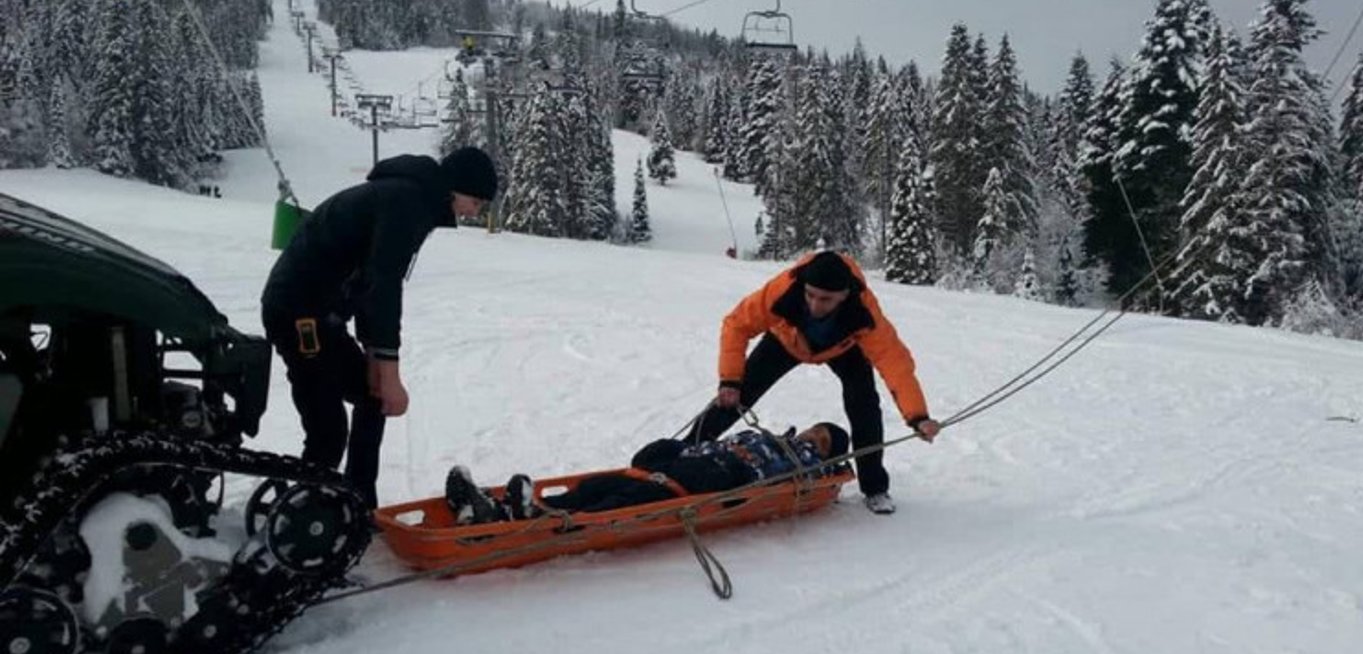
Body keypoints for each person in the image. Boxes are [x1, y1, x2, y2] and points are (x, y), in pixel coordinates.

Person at [260, 147, 498, 508]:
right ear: (455, 188)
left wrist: (376, 359)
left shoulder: (409, 196)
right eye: (476, 201)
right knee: (329, 429)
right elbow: (383, 286)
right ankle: (303, 516)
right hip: (299, 314)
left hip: (321, 313)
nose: (474, 212)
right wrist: (389, 371)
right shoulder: (407, 202)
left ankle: (357, 502)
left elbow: (368, 285)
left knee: (373, 399)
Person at [689, 250, 940, 515]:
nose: (815, 305)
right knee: (735, 395)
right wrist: (729, 380)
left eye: (825, 299)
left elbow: (895, 363)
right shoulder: (785, 287)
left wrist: (918, 416)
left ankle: (875, 487)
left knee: (864, 404)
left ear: (844, 295)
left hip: (843, 349)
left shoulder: (864, 311)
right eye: (810, 295)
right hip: (787, 341)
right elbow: (737, 323)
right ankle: (684, 450)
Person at [445, 422, 850, 524]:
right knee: (599, 485)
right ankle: (516, 509)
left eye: (824, 440)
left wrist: (831, 466)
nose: (815, 435)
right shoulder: (766, 433)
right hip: (689, 463)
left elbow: (822, 481)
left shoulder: (804, 465)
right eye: (817, 428)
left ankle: (541, 519)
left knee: (625, 502)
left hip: (716, 478)